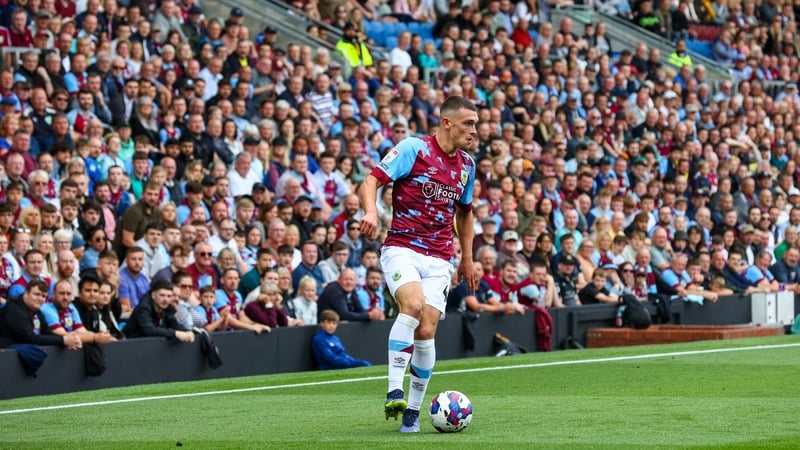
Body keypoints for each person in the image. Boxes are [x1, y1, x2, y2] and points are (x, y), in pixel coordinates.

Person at [358, 96, 478, 432]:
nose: (474, 131)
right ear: (447, 123)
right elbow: (371, 181)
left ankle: (411, 412)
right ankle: (394, 388)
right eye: (468, 124)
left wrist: (467, 257)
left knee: (426, 331)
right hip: (402, 247)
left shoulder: (467, 165)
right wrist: (370, 211)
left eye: (476, 125)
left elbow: (465, 213)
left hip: (440, 257)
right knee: (411, 305)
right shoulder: (414, 149)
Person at [0, 280, 83, 349]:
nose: (40, 299)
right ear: (26, 293)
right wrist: (63, 340)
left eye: (43, 296)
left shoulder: (37, 312)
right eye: (36, 294)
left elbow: (47, 333)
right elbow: (30, 338)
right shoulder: (14, 309)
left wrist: (68, 340)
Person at [123, 279, 195, 342]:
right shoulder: (144, 308)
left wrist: (187, 331)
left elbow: (173, 324)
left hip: (150, 346)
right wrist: (175, 333)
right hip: (131, 345)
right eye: (162, 295)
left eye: (169, 296)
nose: (165, 299)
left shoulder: (167, 306)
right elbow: (149, 330)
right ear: (153, 295)